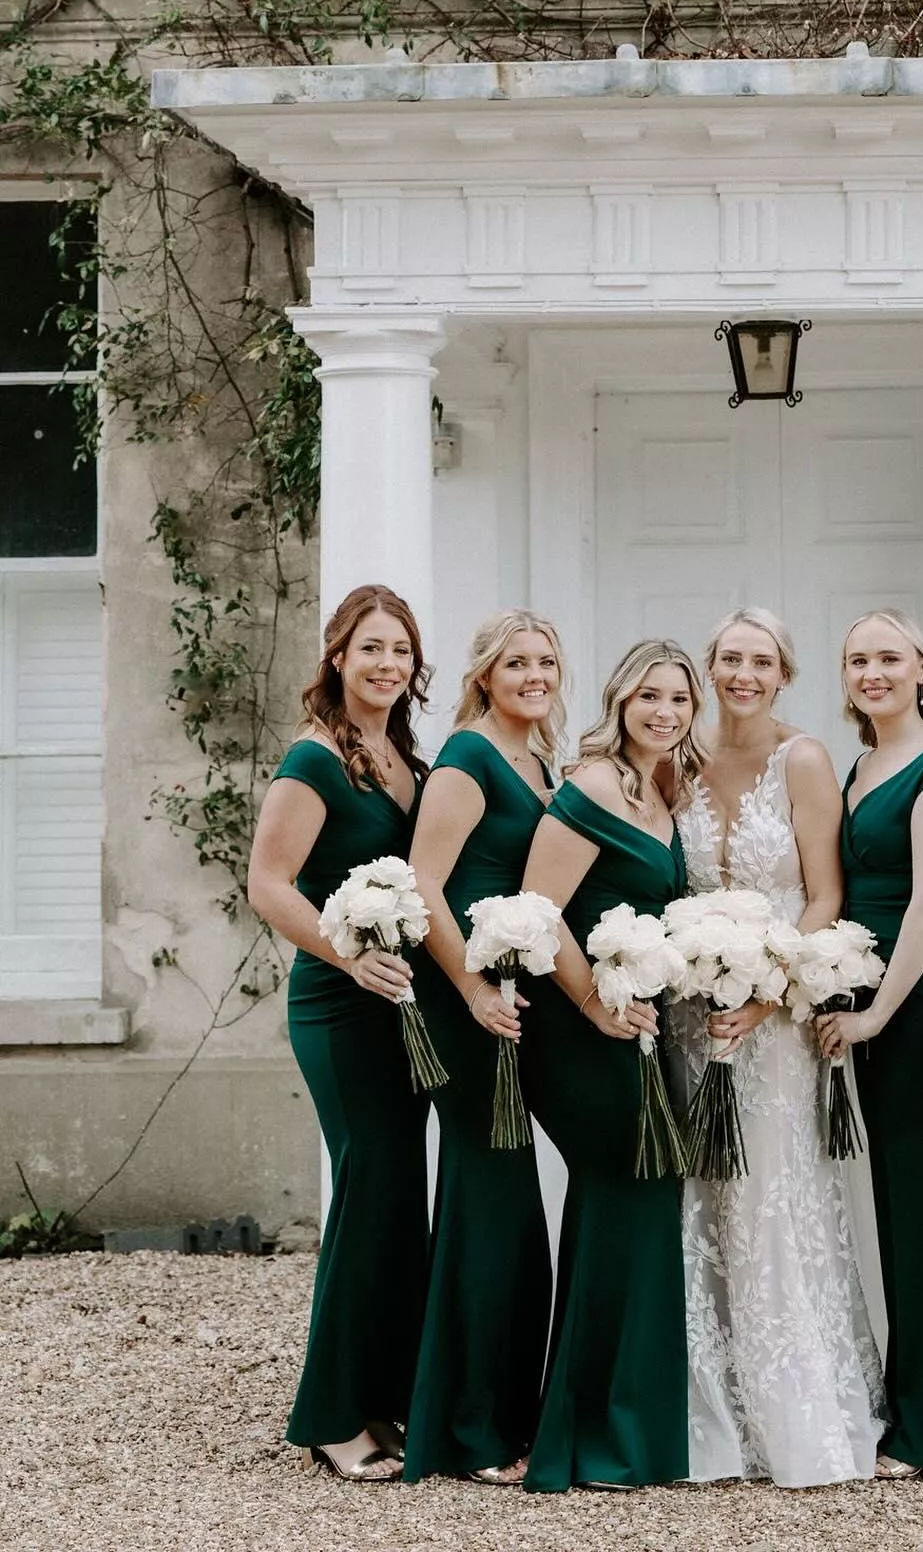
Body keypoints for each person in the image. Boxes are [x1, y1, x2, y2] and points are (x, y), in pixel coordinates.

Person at [671, 607, 885, 1487]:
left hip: (776, 1021)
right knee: (698, 1202)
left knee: (770, 1197)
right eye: (729, 658)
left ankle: (795, 1414)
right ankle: (705, 1418)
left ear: (784, 674)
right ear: (710, 666)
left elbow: (825, 893)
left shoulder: (804, 759)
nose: (743, 674)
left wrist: (765, 994)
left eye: (761, 661)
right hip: (690, 1021)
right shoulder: (679, 755)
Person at [246, 584, 431, 1482]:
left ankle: (382, 1394)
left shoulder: (404, 757)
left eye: (400, 649)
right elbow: (270, 884)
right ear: (338, 659)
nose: (387, 663)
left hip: (403, 1003)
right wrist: (348, 953)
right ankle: (331, 1416)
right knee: (369, 1186)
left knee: (401, 1198)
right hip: (339, 1000)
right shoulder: (313, 761)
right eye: (371, 648)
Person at [517, 640, 700, 1491]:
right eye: (649, 697)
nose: (665, 712)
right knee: (625, 1189)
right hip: (578, 1027)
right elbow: (538, 912)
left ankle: (631, 1429)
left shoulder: (663, 791)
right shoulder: (591, 785)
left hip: (638, 1025)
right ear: (619, 701)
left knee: (639, 1200)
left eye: (679, 699)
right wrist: (594, 1002)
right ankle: (596, 1433)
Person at [816, 610, 923, 1478]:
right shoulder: (861, 763)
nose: (871, 672)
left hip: (914, 1004)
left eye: (888, 657)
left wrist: (881, 1012)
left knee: (920, 1197)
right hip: (867, 991)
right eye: (857, 659)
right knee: (898, 1195)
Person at [403, 611, 565, 1484]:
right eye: (516, 662)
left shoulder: (539, 759)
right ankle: (470, 1430)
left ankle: (505, 1412)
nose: (534, 675)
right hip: (463, 1002)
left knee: (508, 1202)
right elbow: (423, 883)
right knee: (487, 1201)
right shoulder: (467, 759)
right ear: (485, 673)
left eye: (545, 661)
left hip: (510, 1001)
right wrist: (467, 986)